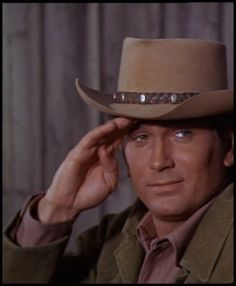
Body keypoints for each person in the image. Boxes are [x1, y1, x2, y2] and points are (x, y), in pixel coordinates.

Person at [3, 38, 234, 283]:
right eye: (141, 137)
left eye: (182, 134)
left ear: (229, 147)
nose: (158, 161)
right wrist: (58, 207)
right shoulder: (108, 242)